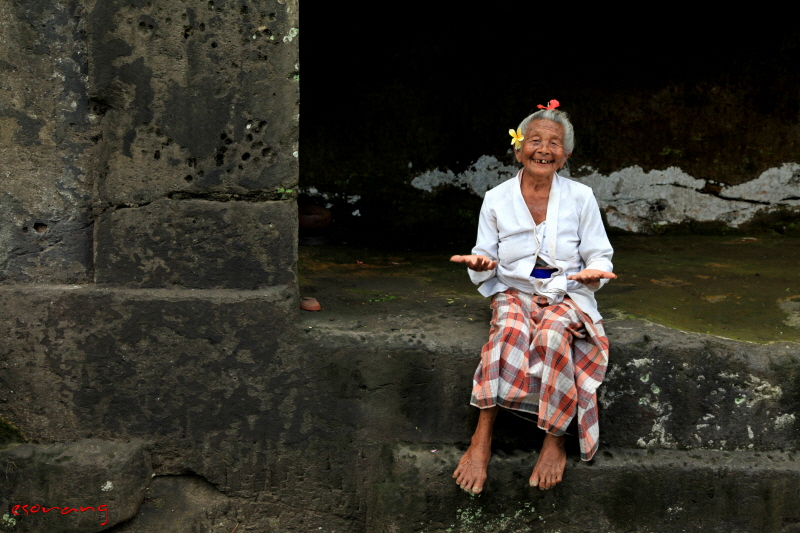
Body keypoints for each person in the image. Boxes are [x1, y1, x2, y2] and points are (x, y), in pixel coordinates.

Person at [450, 101, 616, 494]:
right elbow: (484, 252)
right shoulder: (496, 198)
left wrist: (593, 273)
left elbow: (599, 253)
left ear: (566, 155)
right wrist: (481, 263)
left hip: (567, 292)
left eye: (554, 143)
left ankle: (554, 439)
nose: (544, 148)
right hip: (515, 290)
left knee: (554, 336)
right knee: (507, 332)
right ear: (518, 148)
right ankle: (482, 436)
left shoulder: (581, 197)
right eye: (535, 140)